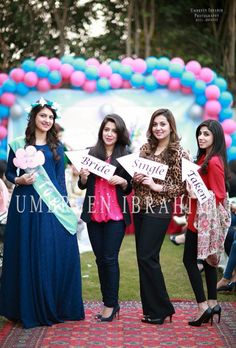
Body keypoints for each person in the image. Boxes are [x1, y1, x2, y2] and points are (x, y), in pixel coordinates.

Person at [0, 98, 84, 329]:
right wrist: (19, 179)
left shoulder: (58, 147)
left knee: (49, 251)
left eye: (51, 117)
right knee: (26, 250)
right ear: (34, 118)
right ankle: (24, 306)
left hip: (49, 205)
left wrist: (64, 208)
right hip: (24, 205)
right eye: (43, 116)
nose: (47, 120)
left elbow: (59, 181)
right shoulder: (17, 144)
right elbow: (9, 174)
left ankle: (53, 304)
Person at [132, 108, 188, 325]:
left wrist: (156, 185)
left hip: (160, 208)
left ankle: (162, 308)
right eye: (155, 124)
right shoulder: (146, 148)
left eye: (162, 124)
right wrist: (136, 177)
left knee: (148, 256)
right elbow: (137, 177)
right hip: (140, 207)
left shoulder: (179, 153)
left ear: (171, 126)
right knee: (144, 258)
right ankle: (153, 309)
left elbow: (181, 186)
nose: (158, 128)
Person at [78, 114, 132, 322]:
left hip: (115, 215)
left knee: (110, 259)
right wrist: (83, 178)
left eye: (114, 130)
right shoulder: (91, 154)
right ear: (101, 131)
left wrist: (124, 182)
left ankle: (111, 304)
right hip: (94, 214)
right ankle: (107, 301)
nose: (109, 134)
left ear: (119, 134)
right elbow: (83, 185)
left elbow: (129, 188)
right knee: (100, 260)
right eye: (106, 129)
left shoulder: (126, 156)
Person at [183, 119, 230, 327]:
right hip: (198, 217)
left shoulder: (214, 161)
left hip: (204, 220)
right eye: (200, 133)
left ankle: (203, 306)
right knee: (210, 261)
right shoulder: (204, 157)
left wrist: (197, 195)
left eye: (206, 134)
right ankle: (213, 303)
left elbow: (219, 195)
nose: (201, 137)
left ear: (216, 137)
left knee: (189, 260)